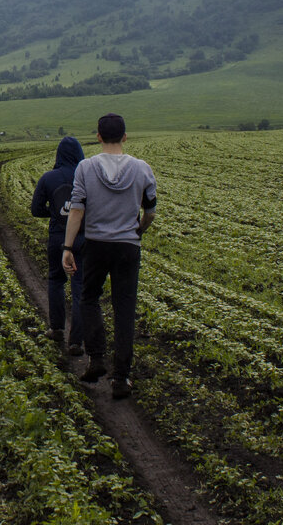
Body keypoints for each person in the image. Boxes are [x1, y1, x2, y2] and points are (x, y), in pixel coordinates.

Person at [62, 113, 156, 399]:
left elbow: (77, 209)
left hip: (96, 244)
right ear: (125, 137)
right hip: (128, 246)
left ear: (99, 136)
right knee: (124, 308)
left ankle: (97, 357)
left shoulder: (86, 167)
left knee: (89, 297)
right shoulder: (142, 169)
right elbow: (150, 212)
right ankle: (121, 377)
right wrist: (138, 230)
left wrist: (67, 248)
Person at [30, 136, 87, 354]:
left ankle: (56, 329)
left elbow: (36, 209)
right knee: (79, 284)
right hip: (82, 237)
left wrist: (54, 214)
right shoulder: (87, 176)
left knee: (55, 279)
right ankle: (76, 341)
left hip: (56, 237)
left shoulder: (48, 178)